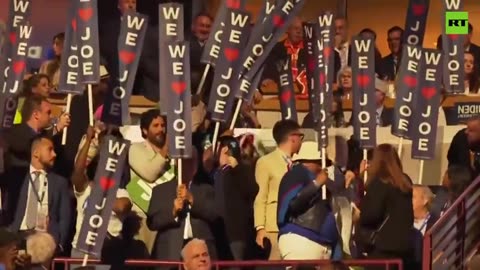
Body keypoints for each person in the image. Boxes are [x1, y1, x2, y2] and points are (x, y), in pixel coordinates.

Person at [147, 149, 218, 267]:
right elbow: (152, 222)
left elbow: (214, 215)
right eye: (185, 161)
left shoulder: (207, 189)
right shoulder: (160, 190)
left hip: (201, 249)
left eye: (192, 161)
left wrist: (192, 200)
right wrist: (173, 212)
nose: (189, 165)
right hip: (171, 249)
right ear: (176, 163)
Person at [9, 136, 72, 252]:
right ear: (36, 153)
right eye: (50, 149)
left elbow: (65, 217)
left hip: (46, 239)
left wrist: (59, 243)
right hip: (18, 237)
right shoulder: (17, 178)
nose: (54, 154)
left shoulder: (60, 182)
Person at [357, 144, 413, 270]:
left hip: (382, 247)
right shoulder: (405, 182)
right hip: (403, 247)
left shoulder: (379, 182)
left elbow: (371, 215)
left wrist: (358, 216)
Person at [277, 141, 336, 260]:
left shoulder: (316, 179)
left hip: (319, 243)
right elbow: (294, 204)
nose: (323, 167)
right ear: (309, 162)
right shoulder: (296, 175)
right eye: (320, 163)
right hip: (301, 241)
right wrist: (316, 184)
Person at [253, 119, 303, 260]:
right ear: (293, 138)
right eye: (301, 137)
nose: (301, 141)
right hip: (273, 228)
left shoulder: (299, 164)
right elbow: (260, 196)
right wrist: (260, 228)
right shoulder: (265, 162)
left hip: (296, 226)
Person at [213, 136, 258, 261]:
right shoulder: (215, 172)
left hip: (235, 235)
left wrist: (236, 168)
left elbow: (252, 190)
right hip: (216, 232)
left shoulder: (242, 170)